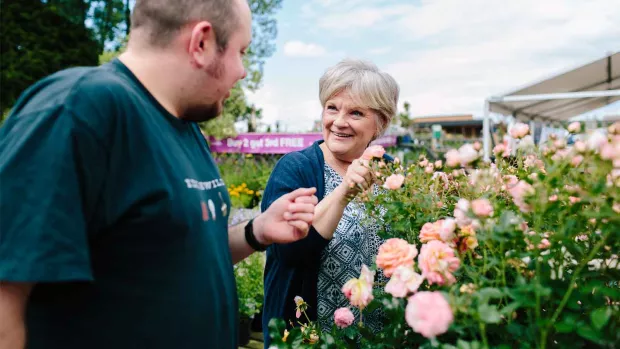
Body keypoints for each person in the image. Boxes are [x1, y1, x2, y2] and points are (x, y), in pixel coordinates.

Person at [0, 0, 318, 348]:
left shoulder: (186, 127)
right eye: (241, 52)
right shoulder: (78, 110)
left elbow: (178, 252)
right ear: (202, 43)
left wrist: (256, 232)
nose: (242, 71)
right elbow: (6, 298)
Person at [260, 59, 400, 346]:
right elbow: (288, 253)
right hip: (311, 337)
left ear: (380, 123)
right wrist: (343, 192)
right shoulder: (296, 169)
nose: (339, 122)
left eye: (356, 112)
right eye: (332, 108)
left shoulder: (389, 171)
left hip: (377, 337)